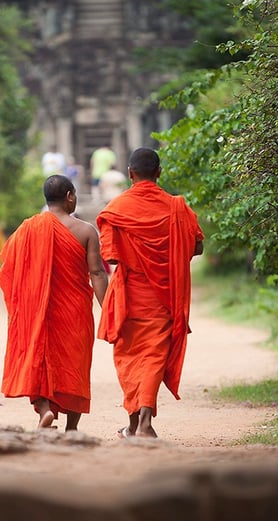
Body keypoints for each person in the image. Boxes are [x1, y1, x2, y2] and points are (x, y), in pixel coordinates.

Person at [96, 147, 204, 439]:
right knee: (154, 357)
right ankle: (141, 422)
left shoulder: (114, 211)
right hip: (164, 297)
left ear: (130, 174)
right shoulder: (177, 208)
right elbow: (197, 247)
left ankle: (136, 423)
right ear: (159, 172)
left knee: (128, 357)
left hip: (130, 297)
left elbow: (112, 256)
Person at [0, 175, 108, 432]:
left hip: (38, 310)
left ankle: (45, 410)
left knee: (39, 357)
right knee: (74, 364)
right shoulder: (86, 230)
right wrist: (109, 309)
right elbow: (98, 273)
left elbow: (9, 270)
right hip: (74, 309)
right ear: (70, 196)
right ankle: (71, 427)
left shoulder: (26, 229)